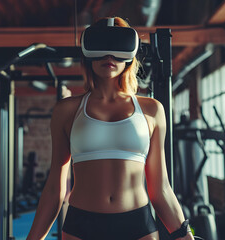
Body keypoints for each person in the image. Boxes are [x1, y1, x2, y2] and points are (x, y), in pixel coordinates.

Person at [27, 16, 194, 240]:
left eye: (117, 49)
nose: (109, 57)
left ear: (130, 55)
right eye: (102, 48)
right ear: (88, 53)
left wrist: (186, 235)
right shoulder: (66, 110)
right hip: (81, 225)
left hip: (137, 225)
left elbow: (161, 188)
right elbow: (55, 187)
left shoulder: (152, 110)